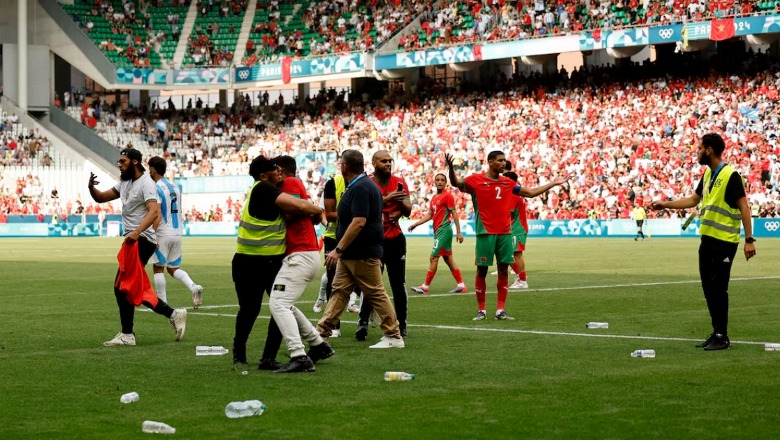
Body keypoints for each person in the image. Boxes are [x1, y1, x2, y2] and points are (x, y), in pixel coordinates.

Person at [649, 133, 756, 351]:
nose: (697, 152)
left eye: (699, 148)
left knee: (719, 288)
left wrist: (749, 239)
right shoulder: (708, 175)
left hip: (725, 242)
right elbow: (693, 200)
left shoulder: (730, 175)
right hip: (707, 240)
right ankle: (716, 332)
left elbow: (744, 207)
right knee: (709, 288)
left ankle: (722, 336)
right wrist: (664, 204)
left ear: (709, 150)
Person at [445, 150, 570, 321]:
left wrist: (553, 183)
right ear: (490, 162)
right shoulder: (476, 180)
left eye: (504, 161)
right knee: (481, 271)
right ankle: (481, 310)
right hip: (485, 233)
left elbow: (530, 193)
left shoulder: (508, 183)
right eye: (499, 160)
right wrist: (451, 168)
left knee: (504, 270)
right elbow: (456, 182)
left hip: (505, 234)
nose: (503, 163)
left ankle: (500, 311)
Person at [88, 148, 187, 346]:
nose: (119, 164)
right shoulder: (125, 183)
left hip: (142, 240)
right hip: (133, 240)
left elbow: (154, 212)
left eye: (122, 161)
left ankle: (128, 334)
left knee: (122, 286)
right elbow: (101, 197)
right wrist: (91, 187)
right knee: (126, 287)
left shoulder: (147, 184)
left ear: (134, 162)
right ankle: (173, 314)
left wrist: (137, 232)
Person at [231, 156, 323, 368]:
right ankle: (244, 354)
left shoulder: (267, 188)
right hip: (251, 262)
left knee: (276, 306)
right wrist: (318, 211)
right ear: (264, 176)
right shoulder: (264, 188)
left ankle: (264, 358)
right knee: (253, 309)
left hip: (268, 261)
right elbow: (299, 205)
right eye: (274, 169)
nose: (279, 170)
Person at [317, 149, 404, 349]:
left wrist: (338, 249)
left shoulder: (361, 187)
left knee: (375, 293)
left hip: (362, 252)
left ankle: (394, 335)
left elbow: (358, 222)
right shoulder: (362, 185)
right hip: (353, 253)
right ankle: (321, 334)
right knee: (339, 292)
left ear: (344, 166)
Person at [267, 156, 334, 373]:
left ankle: (298, 354)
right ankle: (318, 344)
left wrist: (310, 208)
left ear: (280, 169)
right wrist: (313, 208)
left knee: (278, 304)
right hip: (303, 252)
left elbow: (291, 211)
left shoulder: (290, 183)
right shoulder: (295, 185)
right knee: (285, 303)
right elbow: (313, 216)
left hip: (301, 254)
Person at [356, 150, 412, 340]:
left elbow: (408, 210)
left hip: (395, 239)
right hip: (373, 240)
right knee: (372, 284)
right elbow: (367, 209)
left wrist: (401, 204)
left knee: (398, 284)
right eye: (384, 161)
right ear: (373, 163)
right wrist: (388, 199)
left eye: (390, 160)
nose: (388, 163)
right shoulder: (367, 183)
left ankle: (402, 325)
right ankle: (362, 322)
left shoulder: (400, 182)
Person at [147, 156, 203, 307]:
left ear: (153, 169)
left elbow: (157, 213)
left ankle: (162, 303)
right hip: (178, 232)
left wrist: (152, 232)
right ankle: (193, 286)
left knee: (158, 268)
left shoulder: (155, 188)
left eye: (149, 168)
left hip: (163, 233)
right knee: (173, 268)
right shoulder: (176, 187)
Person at [408, 173, 468, 294]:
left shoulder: (448, 196)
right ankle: (461, 285)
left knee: (433, 257)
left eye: (442, 180)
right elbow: (430, 215)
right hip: (438, 231)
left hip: (444, 230)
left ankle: (425, 286)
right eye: (437, 180)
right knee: (448, 258)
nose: (440, 182)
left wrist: (459, 232)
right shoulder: (434, 198)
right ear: (434, 182)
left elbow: (454, 213)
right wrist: (415, 224)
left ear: (445, 183)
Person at [503, 171, 530, 289]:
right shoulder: (515, 194)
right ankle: (520, 277)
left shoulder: (513, 195)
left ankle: (523, 280)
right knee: (508, 254)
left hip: (517, 229)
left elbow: (509, 213)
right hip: (515, 228)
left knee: (516, 254)